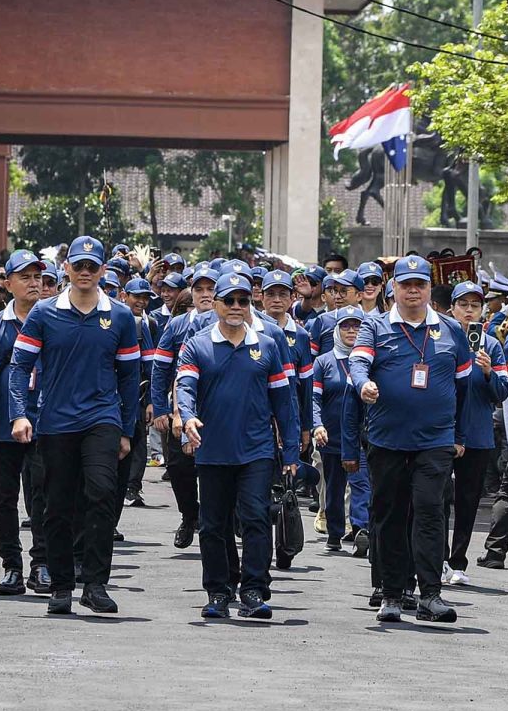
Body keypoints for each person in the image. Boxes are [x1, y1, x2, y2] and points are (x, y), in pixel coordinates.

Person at [9, 235, 141, 616]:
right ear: (66, 269)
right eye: (78, 266)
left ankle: (96, 582)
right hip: (55, 422)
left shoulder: (119, 316)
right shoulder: (44, 313)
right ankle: (62, 585)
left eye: (91, 266)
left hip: (102, 418)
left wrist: (126, 429)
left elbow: (130, 377)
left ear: (103, 270)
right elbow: (19, 367)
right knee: (56, 504)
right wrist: (21, 413)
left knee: (101, 493)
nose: (84, 272)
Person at [349, 254, 471, 624]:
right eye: (406, 285)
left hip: (435, 441)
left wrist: (459, 434)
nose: (413, 291)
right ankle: (391, 593)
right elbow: (357, 361)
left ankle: (430, 594)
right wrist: (363, 383)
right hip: (387, 439)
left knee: (431, 511)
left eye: (420, 284)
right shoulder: (375, 326)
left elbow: (464, 387)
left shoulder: (451, 331)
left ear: (430, 289)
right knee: (388, 515)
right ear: (395, 289)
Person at [175, 272, 299, 620]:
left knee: (256, 518)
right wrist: (187, 418)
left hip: (257, 450)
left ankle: (254, 590)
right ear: (215, 305)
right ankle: (218, 591)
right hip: (213, 449)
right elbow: (184, 386)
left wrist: (290, 451)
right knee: (213, 524)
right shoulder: (196, 345)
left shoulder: (269, 346)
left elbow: (284, 404)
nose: (235, 307)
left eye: (242, 301)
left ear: (250, 305)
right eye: (228, 300)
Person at [0, 250, 50, 597]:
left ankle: (42, 564)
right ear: (8, 284)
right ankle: (11, 565)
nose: (34, 282)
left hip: (45, 420)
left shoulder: (54, 320)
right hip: (3, 422)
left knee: (43, 494)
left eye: (38, 276)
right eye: (25, 277)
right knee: (4, 497)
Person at [444, 281, 508, 585]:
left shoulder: (492, 345)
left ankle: (458, 562)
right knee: (437, 499)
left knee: (468, 501)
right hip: (442, 433)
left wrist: (487, 372)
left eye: (475, 305)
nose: (469, 311)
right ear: (452, 308)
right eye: (464, 305)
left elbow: (502, 393)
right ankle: (437, 558)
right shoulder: (441, 337)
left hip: (478, 434)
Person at [152, 263, 218, 548]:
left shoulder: (233, 325)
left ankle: (221, 519)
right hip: (181, 406)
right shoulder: (178, 325)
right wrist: (160, 407)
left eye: (211, 289)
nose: (205, 295)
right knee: (179, 467)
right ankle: (189, 515)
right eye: (199, 289)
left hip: (217, 408)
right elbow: (161, 368)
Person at [312, 305, 371, 555]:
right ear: (336, 330)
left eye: (357, 326)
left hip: (361, 437)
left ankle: (360, 530)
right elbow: (313, 399)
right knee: (334, 487)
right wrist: (317, 425)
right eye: (345, 326)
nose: (351, 331)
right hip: (332, 436)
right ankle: (335, 533)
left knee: (361, 483)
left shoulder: (370, 360)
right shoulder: (324, 362)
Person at [119, 278, 158, 510]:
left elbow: (151, 365)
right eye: (137, 296)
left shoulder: (146, 325)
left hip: (137, 394)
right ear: (125, 295)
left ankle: (132, 487)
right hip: (110, 396)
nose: (141, 302)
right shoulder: (112, 317)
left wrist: (152, 401)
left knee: (137, 442)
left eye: (145, 298)